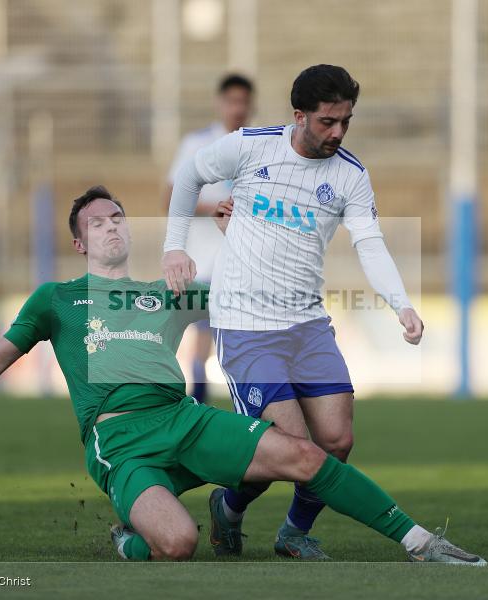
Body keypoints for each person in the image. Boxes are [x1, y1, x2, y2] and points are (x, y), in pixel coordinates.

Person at [0, 185, 485, 565]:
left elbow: (256, 298)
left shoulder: (169, 293)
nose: (111, 227)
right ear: (79, 242)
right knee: (177, 545)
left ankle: (420, 542)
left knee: (305, 456)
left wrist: (246, 238)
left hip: (184, 418)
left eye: (118, 218)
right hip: (123, 441)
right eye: (97, 223)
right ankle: (133, 535)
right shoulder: (56, 299)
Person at [162, 64, 425, 559]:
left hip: (306, 324)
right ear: (299, 115)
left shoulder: (350, 174)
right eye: (328, 121)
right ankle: (231, 506)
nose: (338, 131)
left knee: (337, 441)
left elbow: (370, 243)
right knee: (291, 448)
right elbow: (189, 174)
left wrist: (402, 304)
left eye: (346, 120)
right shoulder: (251, 146)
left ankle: (291, 533)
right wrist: (175, 247)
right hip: (244, 322)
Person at [163, 74, 256, 404]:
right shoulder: (197, 143)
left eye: (244, 101)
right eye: (232, 101)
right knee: (205, 334)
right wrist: (214, 208)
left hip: (245, 260)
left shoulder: (259, 146)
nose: (238, 108)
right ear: (220, 104)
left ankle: (249, 404)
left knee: (242, 337)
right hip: (204, 256)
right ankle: (197, 398)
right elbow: (171, 196)